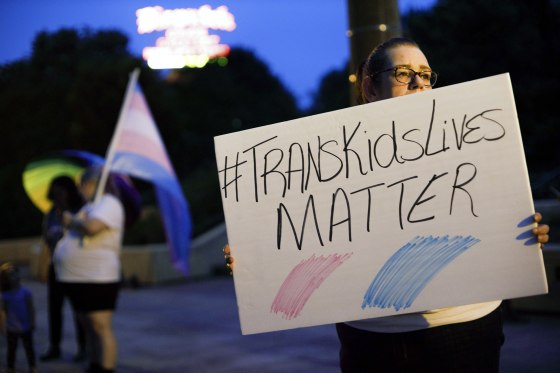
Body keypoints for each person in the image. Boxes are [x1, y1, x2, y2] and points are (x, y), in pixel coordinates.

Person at [224, 37, 551, 373]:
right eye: (403, 72)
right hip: (371, 338)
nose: (418, 82)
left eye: (426, 74)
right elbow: (300, 224)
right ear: (370, 88)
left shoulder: (473, 140)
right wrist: (255, 262)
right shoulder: (330, 159)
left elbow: (495, 215)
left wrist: (524, 233)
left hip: (464, 327)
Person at [53, 166, 125, 373]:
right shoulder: (91, 205)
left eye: (81, 184)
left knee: (100, 325)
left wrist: (71, 220)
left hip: (97, 277)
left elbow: (92, 228)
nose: (80, 190)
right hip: (78, 278)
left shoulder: (109, 203)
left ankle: (106, 367)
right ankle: (95, 364)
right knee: (87, 324)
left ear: (92, 183)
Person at [40, 175, 87, 362]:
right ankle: (54, 346)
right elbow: (46, 236)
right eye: (54, 192)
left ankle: (83, 347)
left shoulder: (80, 211)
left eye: (60, 191)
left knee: (79, 310)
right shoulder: (51, 212)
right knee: (54, 308)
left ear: (69, 192)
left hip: (75, 268)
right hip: (56, 266)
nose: (57, 195)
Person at [0, 262, 39, 373]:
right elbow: (2, 312)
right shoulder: (4, 295)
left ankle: (32, 366)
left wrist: (32, 322)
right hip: (11, 328)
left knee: (29, 349)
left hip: (26, 327)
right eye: (9, 276)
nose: (13, 278)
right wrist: (2, 326)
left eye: (14, 274)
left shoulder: (25, 292)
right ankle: (10, 367)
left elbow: (31, 309)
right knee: (11, 349)